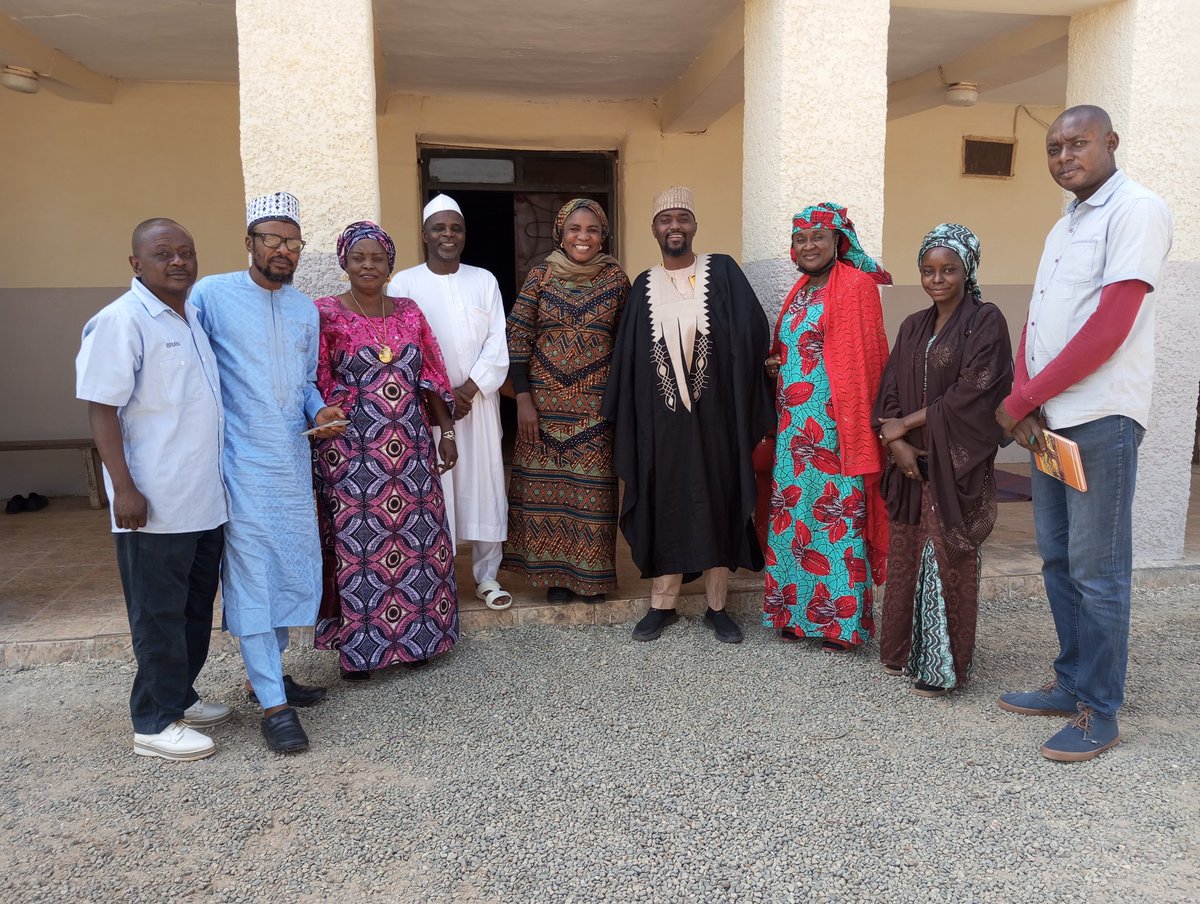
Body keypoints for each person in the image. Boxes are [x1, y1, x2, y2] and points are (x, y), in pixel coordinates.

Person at [995, 105, 1172, 762]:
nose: (1065, 155)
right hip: (1051, 424)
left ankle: (1100, 709)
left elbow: (1110, 327)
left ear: (1111, 142)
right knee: (1059, 558)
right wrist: (1025, 397)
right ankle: (1070, 681)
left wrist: (1023, 399)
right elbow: (1038, 323)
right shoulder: (1064, 225)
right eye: (1053, 147)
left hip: (1100, 418)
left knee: (1099, 571)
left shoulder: (1138, 211)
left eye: (1078, 143)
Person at [190, 192, 347, 755]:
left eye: (293, 242)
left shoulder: (305, 309)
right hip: (239, 461)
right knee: (253, 576)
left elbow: (306, 383)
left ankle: (270, 676)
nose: (284, 250)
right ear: (249, 242)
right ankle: (273, 706)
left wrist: (320, 411)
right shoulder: (211, 296)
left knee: (289, 570)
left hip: (290, 461)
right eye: (272, 240)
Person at [76, 218, 230, 761]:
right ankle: (154, 720)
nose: (179, 262)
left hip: (204, 499)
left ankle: (179, 696)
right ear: (136, 264)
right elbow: (101, 407)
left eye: (186, 251)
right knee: (157, 612)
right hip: (154, 502)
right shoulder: (121, 322)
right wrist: (124, 488)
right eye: (163, 253)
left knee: (191, 608)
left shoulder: (189, 318)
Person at [603, 186, 774, 644]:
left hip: (718, 419)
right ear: (653, 229)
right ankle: (663, 605)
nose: (674, 226)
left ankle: (718, 606)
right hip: (662, 427)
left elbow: (753, 330)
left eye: (682, 218)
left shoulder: (722, 271)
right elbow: (630, 358)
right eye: (665, 219)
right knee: (666, 503)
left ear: (694, 225)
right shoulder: (643, 285)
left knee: (717, 501)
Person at [313, 221, 460, 679]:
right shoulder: (325, 313)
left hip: (411, 449)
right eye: (359, 257)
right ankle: (360, 652)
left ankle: (419, 641)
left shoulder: (410, 312)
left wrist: (447, 433)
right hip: (352, 451)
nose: (368, 265)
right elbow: (313, 381)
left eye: (378, 258)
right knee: (359, 549)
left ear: (391, 265)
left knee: (419, 542)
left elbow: (432, 374)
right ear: (344, 262)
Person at [874, 224, 1013, 696]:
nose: (937, 279)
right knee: (908, 552)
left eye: (948, 269)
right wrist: (897, 444)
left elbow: (973, 394)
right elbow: (889, 387)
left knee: (945, 555)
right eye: (928, 270)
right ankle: (899, 651)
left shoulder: (986, 321)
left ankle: (941, 665)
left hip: (957, 464)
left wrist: (906, 426)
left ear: (967, 269)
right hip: (911, 463)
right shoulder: (913, 323)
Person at [761, 203, 892, 653]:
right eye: (801, 239)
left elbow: (868, 363)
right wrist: (778, 364)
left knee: (836, 522)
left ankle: (839, 623)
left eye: (819, 237)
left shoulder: (856, 286)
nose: (809, 245)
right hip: (795, 432)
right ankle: (795, 614)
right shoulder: (799, 290)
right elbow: (800, 349)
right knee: (795, 517)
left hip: (838, 431)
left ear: (838, 241)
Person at [503, 198, 630, 603]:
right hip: (539, 409)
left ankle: (590, 579)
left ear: (603, 235)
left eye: (592, 230)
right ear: (561, 232)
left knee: (590, 494)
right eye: (575, 228)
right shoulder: (540, 276)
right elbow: (518, 337)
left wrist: (615, 403)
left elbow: (627, 344)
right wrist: (523, 399)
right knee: (548, 494)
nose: (583, 237)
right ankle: (555, 578)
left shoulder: (615, 280)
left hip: (595, 410)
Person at [388, 195, 512, 611]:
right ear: (424, 234)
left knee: (486, 483)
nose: (448, 235)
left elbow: (498, 342)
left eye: (455, 228)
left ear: (464, 234)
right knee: (435, 488)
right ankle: (437, 577)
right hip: (427, 408)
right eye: (439, 228)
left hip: (478, 404)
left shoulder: (484, 280)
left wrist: (470, 389)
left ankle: (487, 577)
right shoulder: (404, 283)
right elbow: (405, 345)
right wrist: (441, 394)